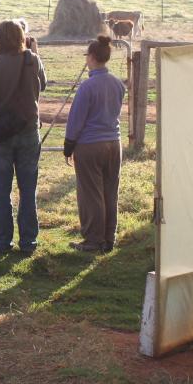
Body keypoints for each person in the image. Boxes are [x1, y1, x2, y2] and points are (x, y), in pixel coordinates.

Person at [0, 20, 47, 254]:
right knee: (28, 189)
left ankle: (2, 241)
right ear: (22, 38)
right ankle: (29, 242)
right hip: (29, 131)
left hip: (0, 134)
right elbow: (44, 85)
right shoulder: (33, 60)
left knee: (1, 190)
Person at [63, 35, 126, 253]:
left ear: (91, 57)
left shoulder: (87, 87)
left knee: (91, 194)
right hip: (113, 142)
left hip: (90, 144)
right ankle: (109, 237)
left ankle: (93, 239)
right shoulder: (118, 84)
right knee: (110, 190)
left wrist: (68, 145)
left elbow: (76, 119)